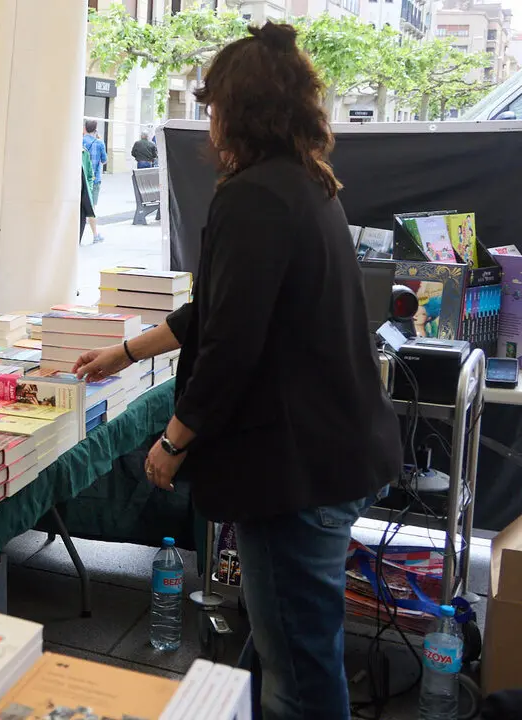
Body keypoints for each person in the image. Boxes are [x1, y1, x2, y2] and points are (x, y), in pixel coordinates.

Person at [73, 23, 399, 720]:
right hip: (335, 453)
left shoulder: (253, 196)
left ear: (240, 110)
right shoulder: (305, 184)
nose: (210, 119)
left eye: (215, 104)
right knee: (286, 643)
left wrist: (174, 440)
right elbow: (216, 310)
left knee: (301, 678)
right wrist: (124, 352)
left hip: (296, 470)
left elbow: (231, 343)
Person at [81, 119, 107, 243]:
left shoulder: (80, 141)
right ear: (95, 130)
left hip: (81, 178)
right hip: (94, 180)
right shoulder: (99, 143)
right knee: (91, 207)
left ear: (85, 129)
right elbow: (104, 160)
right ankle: (95, 235)